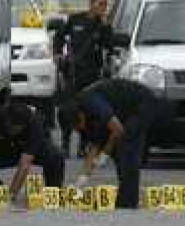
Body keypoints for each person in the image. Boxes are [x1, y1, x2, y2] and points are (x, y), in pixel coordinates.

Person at [59, 78, 159, 209]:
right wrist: (82, 180)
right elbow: (93, 148)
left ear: (80, 115)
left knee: (126, 148)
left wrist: (106, 152)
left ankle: (127, 203)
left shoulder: (91, 102)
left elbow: (118, 129)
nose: (80, 129)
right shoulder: (85, 119)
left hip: (142, 103)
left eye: (78, 126)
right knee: (120, 153)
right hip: (123, 113)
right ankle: (125, 199)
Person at [0, 93, 66, 207]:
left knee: (55, 155)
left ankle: (53, 193)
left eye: (17, 129)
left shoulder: (34, 124)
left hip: (25, 150)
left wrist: (12, 194)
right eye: (10, 127)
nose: (12, 131)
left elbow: (25, 163)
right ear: (6, 119)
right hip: (2, 150)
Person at [53, 0, 113, 157]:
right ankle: (65, 144)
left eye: (105, 5)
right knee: (67, 110)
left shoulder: (103, 26)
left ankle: (83, 145)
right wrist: (57, 53)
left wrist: (106, 26)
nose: (103, 7)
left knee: (89, 112)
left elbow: (110, 46)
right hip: (73, 73)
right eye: (100, 4)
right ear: (91, 4)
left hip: (92, 75)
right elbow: (59, 36)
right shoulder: (75, 19)